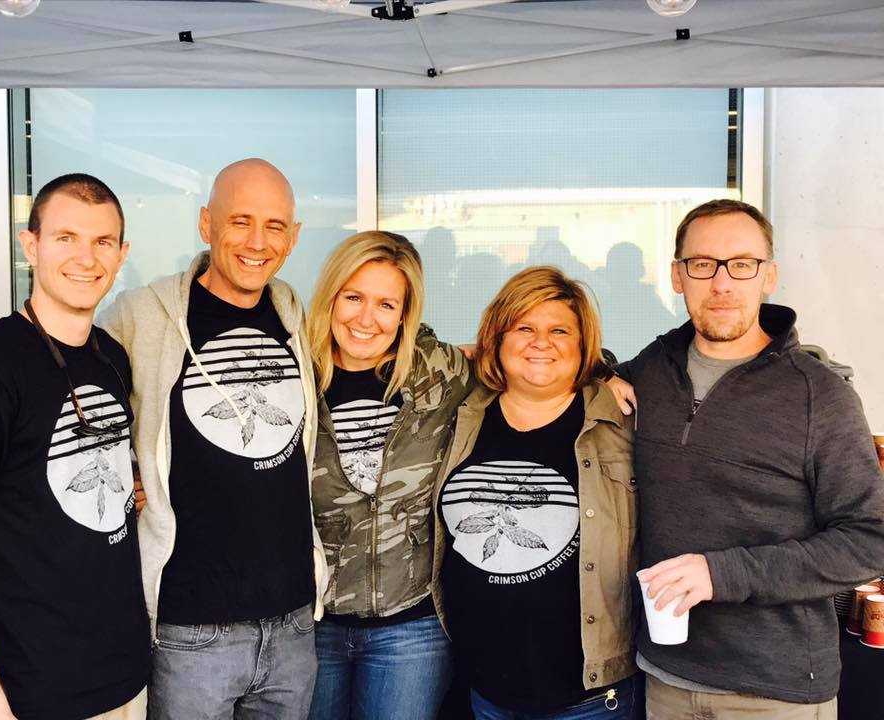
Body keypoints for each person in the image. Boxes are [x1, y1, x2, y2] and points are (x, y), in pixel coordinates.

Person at [618, 199, 884, 719]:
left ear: (769, 276)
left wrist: (723, 574)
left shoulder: (819, 395)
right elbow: (562, 367)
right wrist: (599, 373)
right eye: (702, 264)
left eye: (741, 264)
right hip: (663, 678)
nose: (721, 283)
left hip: (775, 691)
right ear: (677, 277)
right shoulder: (650, 370)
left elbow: (869, 539)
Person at [95, 159, 326, 719]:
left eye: (274, 226)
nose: (257, 242)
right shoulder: (143, 315)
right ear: (206, 223)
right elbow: (69, 381)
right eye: (240, 221)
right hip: (191, 630)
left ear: (294, 236)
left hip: (292, 624)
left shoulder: (293, 312)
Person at [0, 174, 150, 720]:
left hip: (125, 677)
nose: (86, 258)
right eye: (66, 237)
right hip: (31, 692)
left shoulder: (111, 357)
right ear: (31, 245)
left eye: (102, 241)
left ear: (121, 254)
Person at [432, 266, 643, 720]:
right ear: (497, 339)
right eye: (524, 328)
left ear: (583, 345)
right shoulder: (460, 412)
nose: (541, 342)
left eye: (559, 331)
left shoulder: (622, 421)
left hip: (590, 697)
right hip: (484, 688)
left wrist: (605, 371)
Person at [306, 231, 472, 720]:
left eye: (386, 304)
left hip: (411, 627)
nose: (366, 319)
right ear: (330, 295)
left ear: (405, 314)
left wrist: (605, 374)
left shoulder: (439, 372)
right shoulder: (295, 376)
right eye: (353, 297)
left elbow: (533, 361)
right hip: (312, 624)